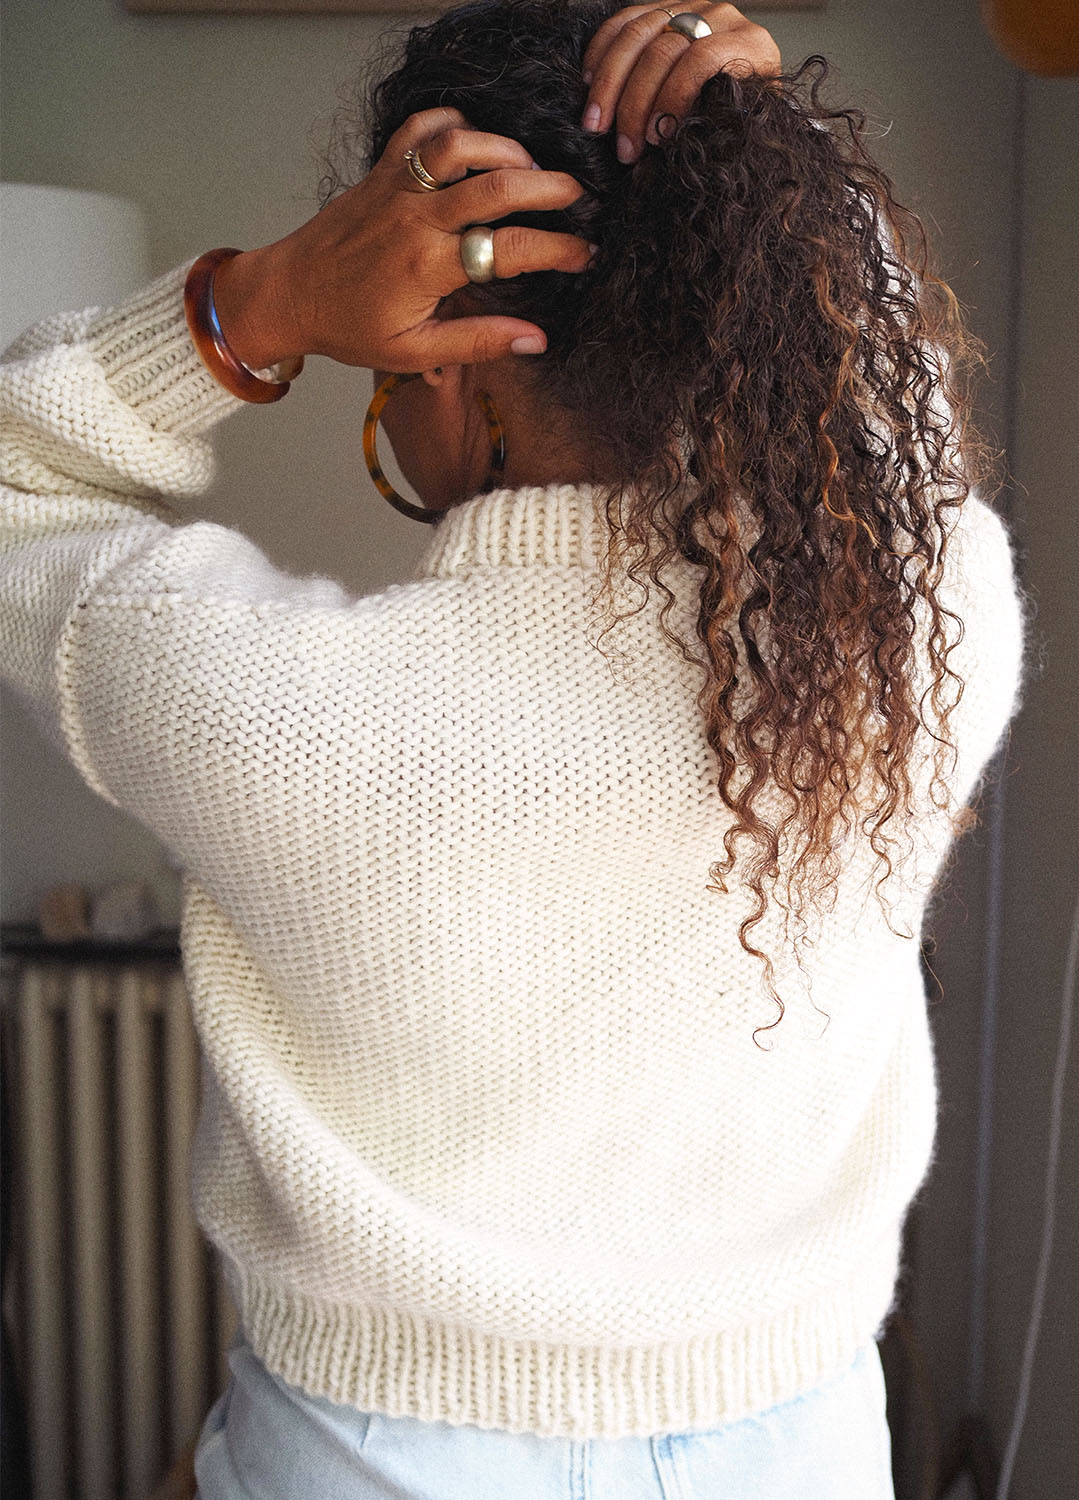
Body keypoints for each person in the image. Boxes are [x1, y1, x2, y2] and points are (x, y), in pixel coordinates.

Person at [0, 2, 1029, 1496]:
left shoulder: (258, 703)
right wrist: (788, 170)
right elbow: (896, 439)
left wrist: (258, 306)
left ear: (438, 357)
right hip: (796, 1447)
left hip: (370, 1457)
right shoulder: (916, 634)